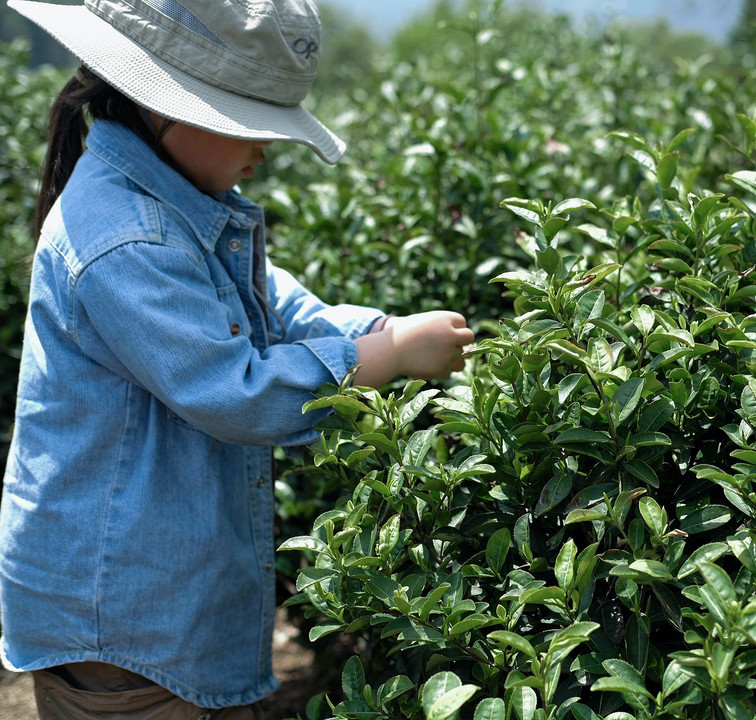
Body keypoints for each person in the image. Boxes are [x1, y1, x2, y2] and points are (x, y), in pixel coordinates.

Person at [0, 0, 474, 717]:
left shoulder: (179, 208)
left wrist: (386, 328)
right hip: (119, 620)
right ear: (169, 108)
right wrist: (392, 354)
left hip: (157, 601)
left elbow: (274, 310)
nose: (264, 151)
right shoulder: (130, 239)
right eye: (248, 126)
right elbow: (235, 390)